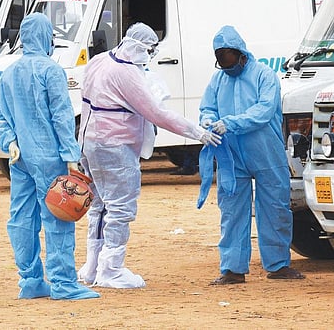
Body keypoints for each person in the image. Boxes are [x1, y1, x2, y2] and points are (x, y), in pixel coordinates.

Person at [77, 22, 221, 288]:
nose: (151, 56)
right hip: (115, 146)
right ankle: (111, 270)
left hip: (90, 142)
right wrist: (197, 132)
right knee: (120, 207)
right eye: (151, 50)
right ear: (141, 47)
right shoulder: (127, 73)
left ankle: (92, 266)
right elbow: (157, 113)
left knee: (99, 205)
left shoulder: (99, 61)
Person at [0, 12, 99, 300]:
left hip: (20, 158)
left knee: (22, 218)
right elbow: (62, 117)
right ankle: (63, 283)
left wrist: (9, 142)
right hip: (49, 157)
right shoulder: (51, 70)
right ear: (45, 37)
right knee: (59, 214)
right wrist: (70, 154)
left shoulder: (8, 73)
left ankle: (30, 280)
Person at [198, 25, 305, 285]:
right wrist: (208, 121)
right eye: (220, 59)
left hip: (266, 153)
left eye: (228, 57)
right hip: (231, 156)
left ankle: (278, 265)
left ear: (241, 53)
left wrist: (231, 123)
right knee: (232, 211)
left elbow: (264, 111)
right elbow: (207, 108)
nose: (225, 64)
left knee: (275, 208)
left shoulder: (264, 75)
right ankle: (232, 269)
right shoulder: (218, 79)